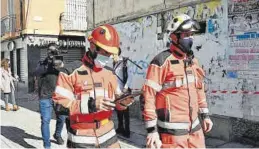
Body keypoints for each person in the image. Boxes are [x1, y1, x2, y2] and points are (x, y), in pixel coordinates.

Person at [52, 24, 134, 148]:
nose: (108, 57)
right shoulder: (69, 72)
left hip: (108, 136)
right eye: (105, 52)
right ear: (92, 46)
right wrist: (91, 105)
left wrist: (124, 102)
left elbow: (116, 102)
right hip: (82, 137)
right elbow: (59, 107)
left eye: (110, 54)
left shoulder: (110, 73)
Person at [142, 14, 213, 148]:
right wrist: (152, 131)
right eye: (186, 34)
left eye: (192, 34)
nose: (190, 38)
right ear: (174, 37)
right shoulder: (161, 62)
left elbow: (199, 89)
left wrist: (205, 115)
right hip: (172, 133)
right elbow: (148, 97)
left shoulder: (192, 61)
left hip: (195, 129)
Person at [35, 43, 67, 148]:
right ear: (47, 51)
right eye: (49, 50)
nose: (51, 52)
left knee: (62, 118)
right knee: (45, 120)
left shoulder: (60, 62)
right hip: (45, 96)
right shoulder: (42, 62)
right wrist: (48, 63)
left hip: (58, 95)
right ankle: (47, 145)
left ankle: (57, 134)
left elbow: (65, 73)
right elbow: (37, 72)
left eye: (53, 50)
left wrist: (58, 62)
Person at [113, 48, 132, 138]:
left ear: (118, 54)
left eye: (114, 54)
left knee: (125, 112)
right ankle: (120, 128)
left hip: (123, 91)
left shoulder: (124, 62)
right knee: (118, 111)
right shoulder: (114, 63)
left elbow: (130, 75)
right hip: (116, 91)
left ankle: (127, 131)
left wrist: (125, 88)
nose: (112, 56)